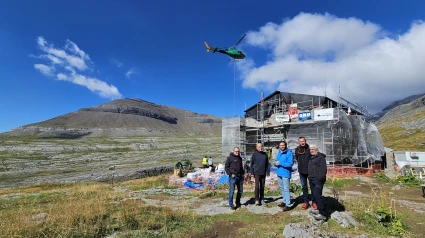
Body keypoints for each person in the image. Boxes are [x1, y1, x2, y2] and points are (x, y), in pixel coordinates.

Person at [308, 144, 328, 221]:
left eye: (313, 149)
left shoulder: (321, 158)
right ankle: (319, 209)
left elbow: (323, 169)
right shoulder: (312, 157)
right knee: (314, 195)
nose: (311, 150)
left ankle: (323, 214)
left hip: (318, 180)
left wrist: (320, 178)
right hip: (312, 179)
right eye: (310, 149)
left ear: (317, 150)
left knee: (317, 195)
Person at [295, 137, 314, 210]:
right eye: (300, 141)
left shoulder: (310, 148)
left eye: (303, 141)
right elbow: (297, 158)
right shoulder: (297, 149)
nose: (302, 142)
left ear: (305, 141)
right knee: (304, 186)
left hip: (310, 171)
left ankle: (314, 201)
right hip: (301, 171)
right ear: (299, 142)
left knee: (312, 186)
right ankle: (306, 201)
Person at [275, 141, 294, 212]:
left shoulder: (289, 153)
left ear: (285, 145)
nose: (282, 146)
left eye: (283, 145)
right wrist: (275, 163)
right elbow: (276, 160)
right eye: (280, 145)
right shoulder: (279, 152)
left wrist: (280, 163)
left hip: (286, 173)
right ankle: (285, 201)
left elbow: (290, 163)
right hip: (279, 172)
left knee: (286, 189)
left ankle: (288, 205)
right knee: (282, 188)